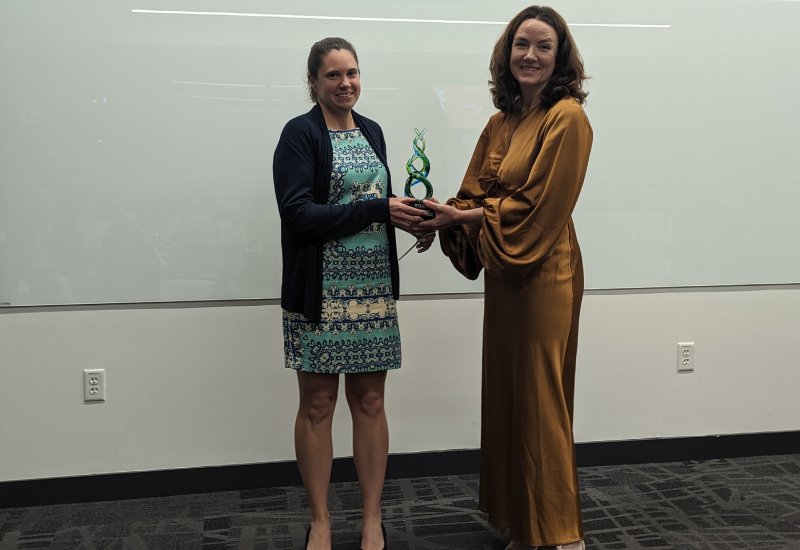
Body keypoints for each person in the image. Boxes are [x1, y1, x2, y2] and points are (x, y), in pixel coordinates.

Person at [416, 6, 593, 550]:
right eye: (521, 44)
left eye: (543, 46)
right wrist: (439, 213)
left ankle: (560, 534)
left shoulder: (567, 118)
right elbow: (477, 193)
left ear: (560, 56)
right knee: (509, 395)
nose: (530, 55)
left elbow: (538, 207)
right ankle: (525, 521)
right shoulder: (501, 121)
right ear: (506, 52)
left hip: (544, 272)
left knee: (541, 399)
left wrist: (466, 217)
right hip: (504, 273)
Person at [272, 37, 434, 550]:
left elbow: (378, 207)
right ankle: (320, 521)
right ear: (314, 83)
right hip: (320, 293)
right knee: (317, 405)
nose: (346, 84)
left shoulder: (373, 132)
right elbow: (298, 215)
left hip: (372, 289)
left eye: (353, 74)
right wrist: (376, 209)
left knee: (370, 401)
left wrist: (410, 221)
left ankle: (370, 520)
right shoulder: (299, 135)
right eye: (334, 76)